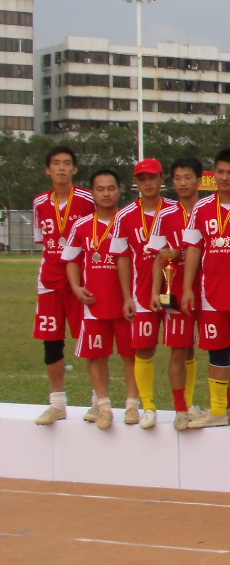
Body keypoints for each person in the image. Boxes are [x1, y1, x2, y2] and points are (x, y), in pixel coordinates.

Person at [181, 148, 230, 430]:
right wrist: (188, 288)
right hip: (211, 295)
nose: (224, 177)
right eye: (220, 172)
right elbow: (193, 248)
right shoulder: (201, 208)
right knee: (217, 352)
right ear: (212, 174)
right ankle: (218, 410)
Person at [32, 144, 95, 425]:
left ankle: (98, 401)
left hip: (82, 279)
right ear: (48, 169)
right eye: (56, 163)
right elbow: (43, 240)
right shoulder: (39, 203)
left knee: (91, 339)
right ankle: (57, 403)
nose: (61, 168)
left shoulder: (86, 199)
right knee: (51, 341)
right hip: (50, 280)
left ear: (74, 168)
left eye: (66, 163)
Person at [62, 168, 128, 429]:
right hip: (94, 304)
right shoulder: (81, 225)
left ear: (119, 190)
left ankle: (133, 405)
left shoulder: (129, 220)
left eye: (111, 188)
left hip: (126, 303)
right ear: (92, 193)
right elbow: (71, 259)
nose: (106, 193)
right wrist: (76, 287)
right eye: (100, 189)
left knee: (131, 356)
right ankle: (103, 406)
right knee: (97, 356)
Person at [150, 156, 205, 428]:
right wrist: (154, 292)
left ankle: (222, 405)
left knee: (216, 349)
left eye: (188, 178)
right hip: (176, 290)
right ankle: (180, 409)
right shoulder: (165, 215)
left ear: (199, 180)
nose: (182, 183)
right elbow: (157, 256)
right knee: (178, 350)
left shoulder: (209, 209)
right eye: (177, 179)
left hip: (208, 290)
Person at [114, 157, 168, 429]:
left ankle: (186, 405)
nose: (147, 183)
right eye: (142, 179)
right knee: (144, 349)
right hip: (142, 293)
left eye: (152, 177)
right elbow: (122, 258)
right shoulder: (124, 215)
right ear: (136, 182)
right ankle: (148, 406)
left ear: (162, 178)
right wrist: (127, 296)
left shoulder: (174, 210)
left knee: (183, 348)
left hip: (173, 292)